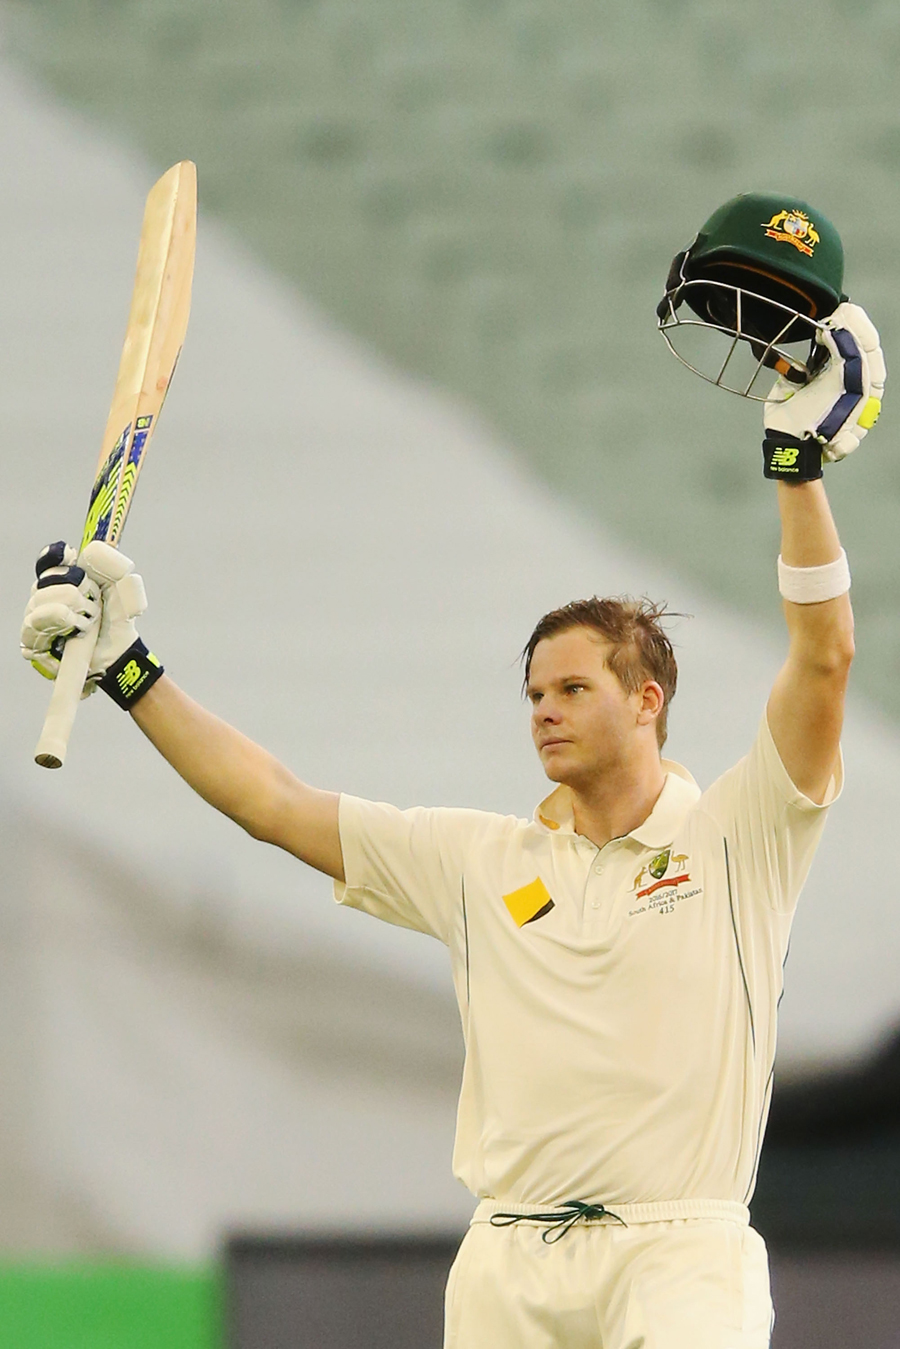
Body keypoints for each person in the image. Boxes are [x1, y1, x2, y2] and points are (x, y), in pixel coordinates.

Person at [20, 298, 883, 1348]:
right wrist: (128, 672)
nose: (544, 712)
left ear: (648, 699)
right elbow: (274, 804)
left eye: (570, 688)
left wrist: (798, 471)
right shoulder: (480, 858)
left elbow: (825, 658)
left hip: (679, 1252)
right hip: (509, 1262)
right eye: (532, 694)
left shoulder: (742, 834)